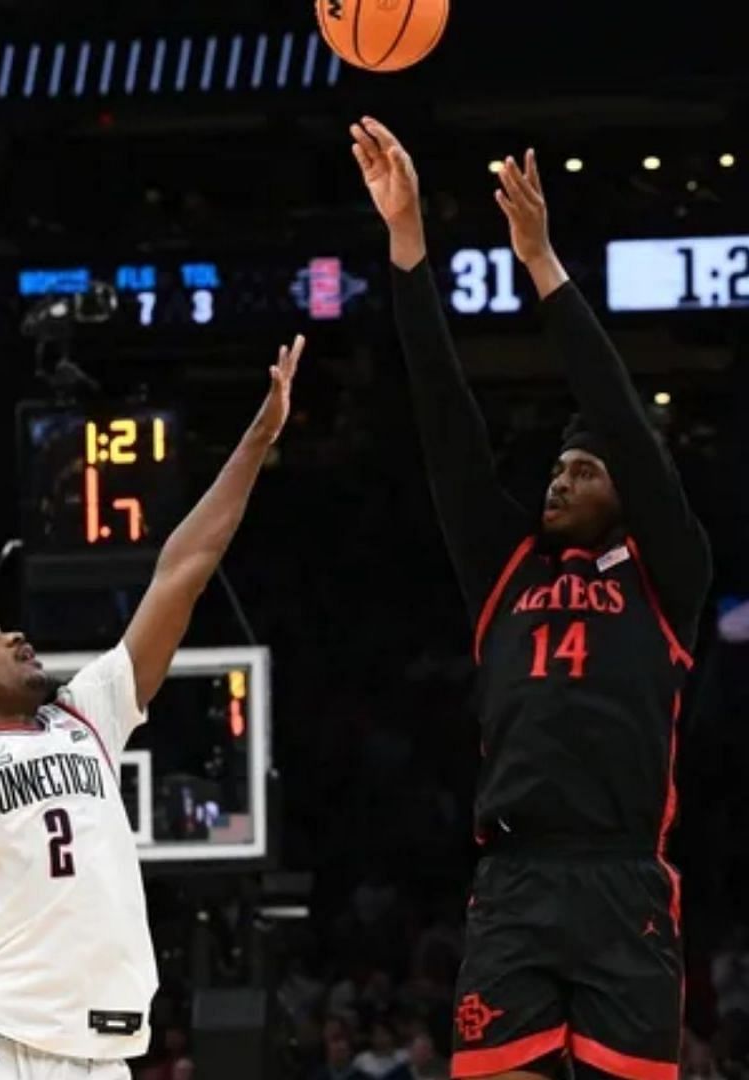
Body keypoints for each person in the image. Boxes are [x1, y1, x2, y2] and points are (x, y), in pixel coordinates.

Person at [0, 336, 304, 1078]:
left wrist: (256, 439)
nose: (13, 634)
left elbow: (182, 570)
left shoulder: (87, 716)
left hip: (101, 1058)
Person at [354, 115, 711, 1079]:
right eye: (557, 466)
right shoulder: (507, 568)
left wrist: (544, 265)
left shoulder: (667, 575)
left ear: (627, 493)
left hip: (624, 875)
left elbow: (629, 419)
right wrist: (408, 245)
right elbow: (445, 423)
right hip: (513, 878)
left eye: (584, 469)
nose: (560, 480)